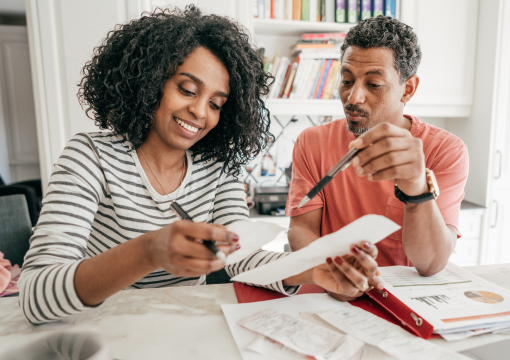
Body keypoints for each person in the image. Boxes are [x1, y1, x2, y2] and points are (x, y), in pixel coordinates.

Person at [18, 6, 383, 325]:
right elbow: (35, 294)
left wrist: (314, 269)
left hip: (183, 330)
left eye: (216, 103)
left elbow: (242, 258)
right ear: (149, 82)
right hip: (100, 331)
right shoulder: (90, 157)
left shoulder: (217, 167)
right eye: (188, 90)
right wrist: (149, 251)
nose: (200, 112)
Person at [286, 16, 469, 301]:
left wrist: (416, 185)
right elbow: (301, 229)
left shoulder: (445, 150)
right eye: (347, 80)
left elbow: (431, 263)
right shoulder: (312, 142)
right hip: (329, 295)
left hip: (401, 301)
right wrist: (333, 270)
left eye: (373, 84)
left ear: (407, 89)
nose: (353, 96)